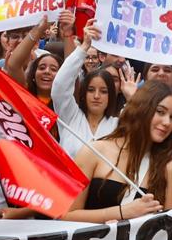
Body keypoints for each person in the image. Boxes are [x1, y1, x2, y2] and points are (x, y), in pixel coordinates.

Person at [63, 81, 172, 223]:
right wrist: (121, 212)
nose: (167, 122)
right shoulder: (94, 152)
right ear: (141, 109)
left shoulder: (171, 169)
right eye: (160, 112)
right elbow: (65, 215)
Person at [51, 23, 120, 157]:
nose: (96, 96)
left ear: (111, 96)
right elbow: (60, 86)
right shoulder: (70, 117)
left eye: (104, 91)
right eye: (91, 90)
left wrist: (132, 96)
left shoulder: (118, 125)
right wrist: (84, 47)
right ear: (83, 93)